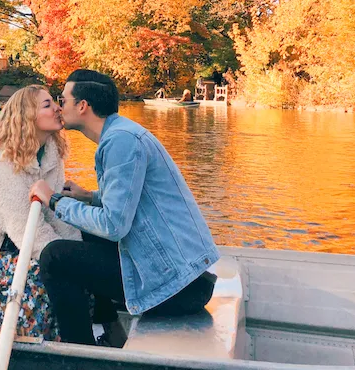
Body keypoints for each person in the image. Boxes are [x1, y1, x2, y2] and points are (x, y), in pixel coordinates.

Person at [29, 69, 220, 346]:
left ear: (83, 106)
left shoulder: (121, 141)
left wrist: (55, 200)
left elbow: (113, 225)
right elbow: (132, 204)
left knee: (54, 257)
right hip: (184, 276)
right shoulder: (121, 134)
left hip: (178, 286)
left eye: (63, 99)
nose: (59, 107)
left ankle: (80, 354)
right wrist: (89, 197)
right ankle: (108, 330)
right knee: (82, 235)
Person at [0, 85, 81, 341]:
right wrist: (68, 262)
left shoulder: (50, 154)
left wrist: (77, 253)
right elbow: (24, 230)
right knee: (41, 277)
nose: (57, 107)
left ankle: (76, 342)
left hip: (18, 249)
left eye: (55, 102)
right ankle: (37, 349)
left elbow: (55, 216)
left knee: (78, 268)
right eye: (47, 105)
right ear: (26, 116)